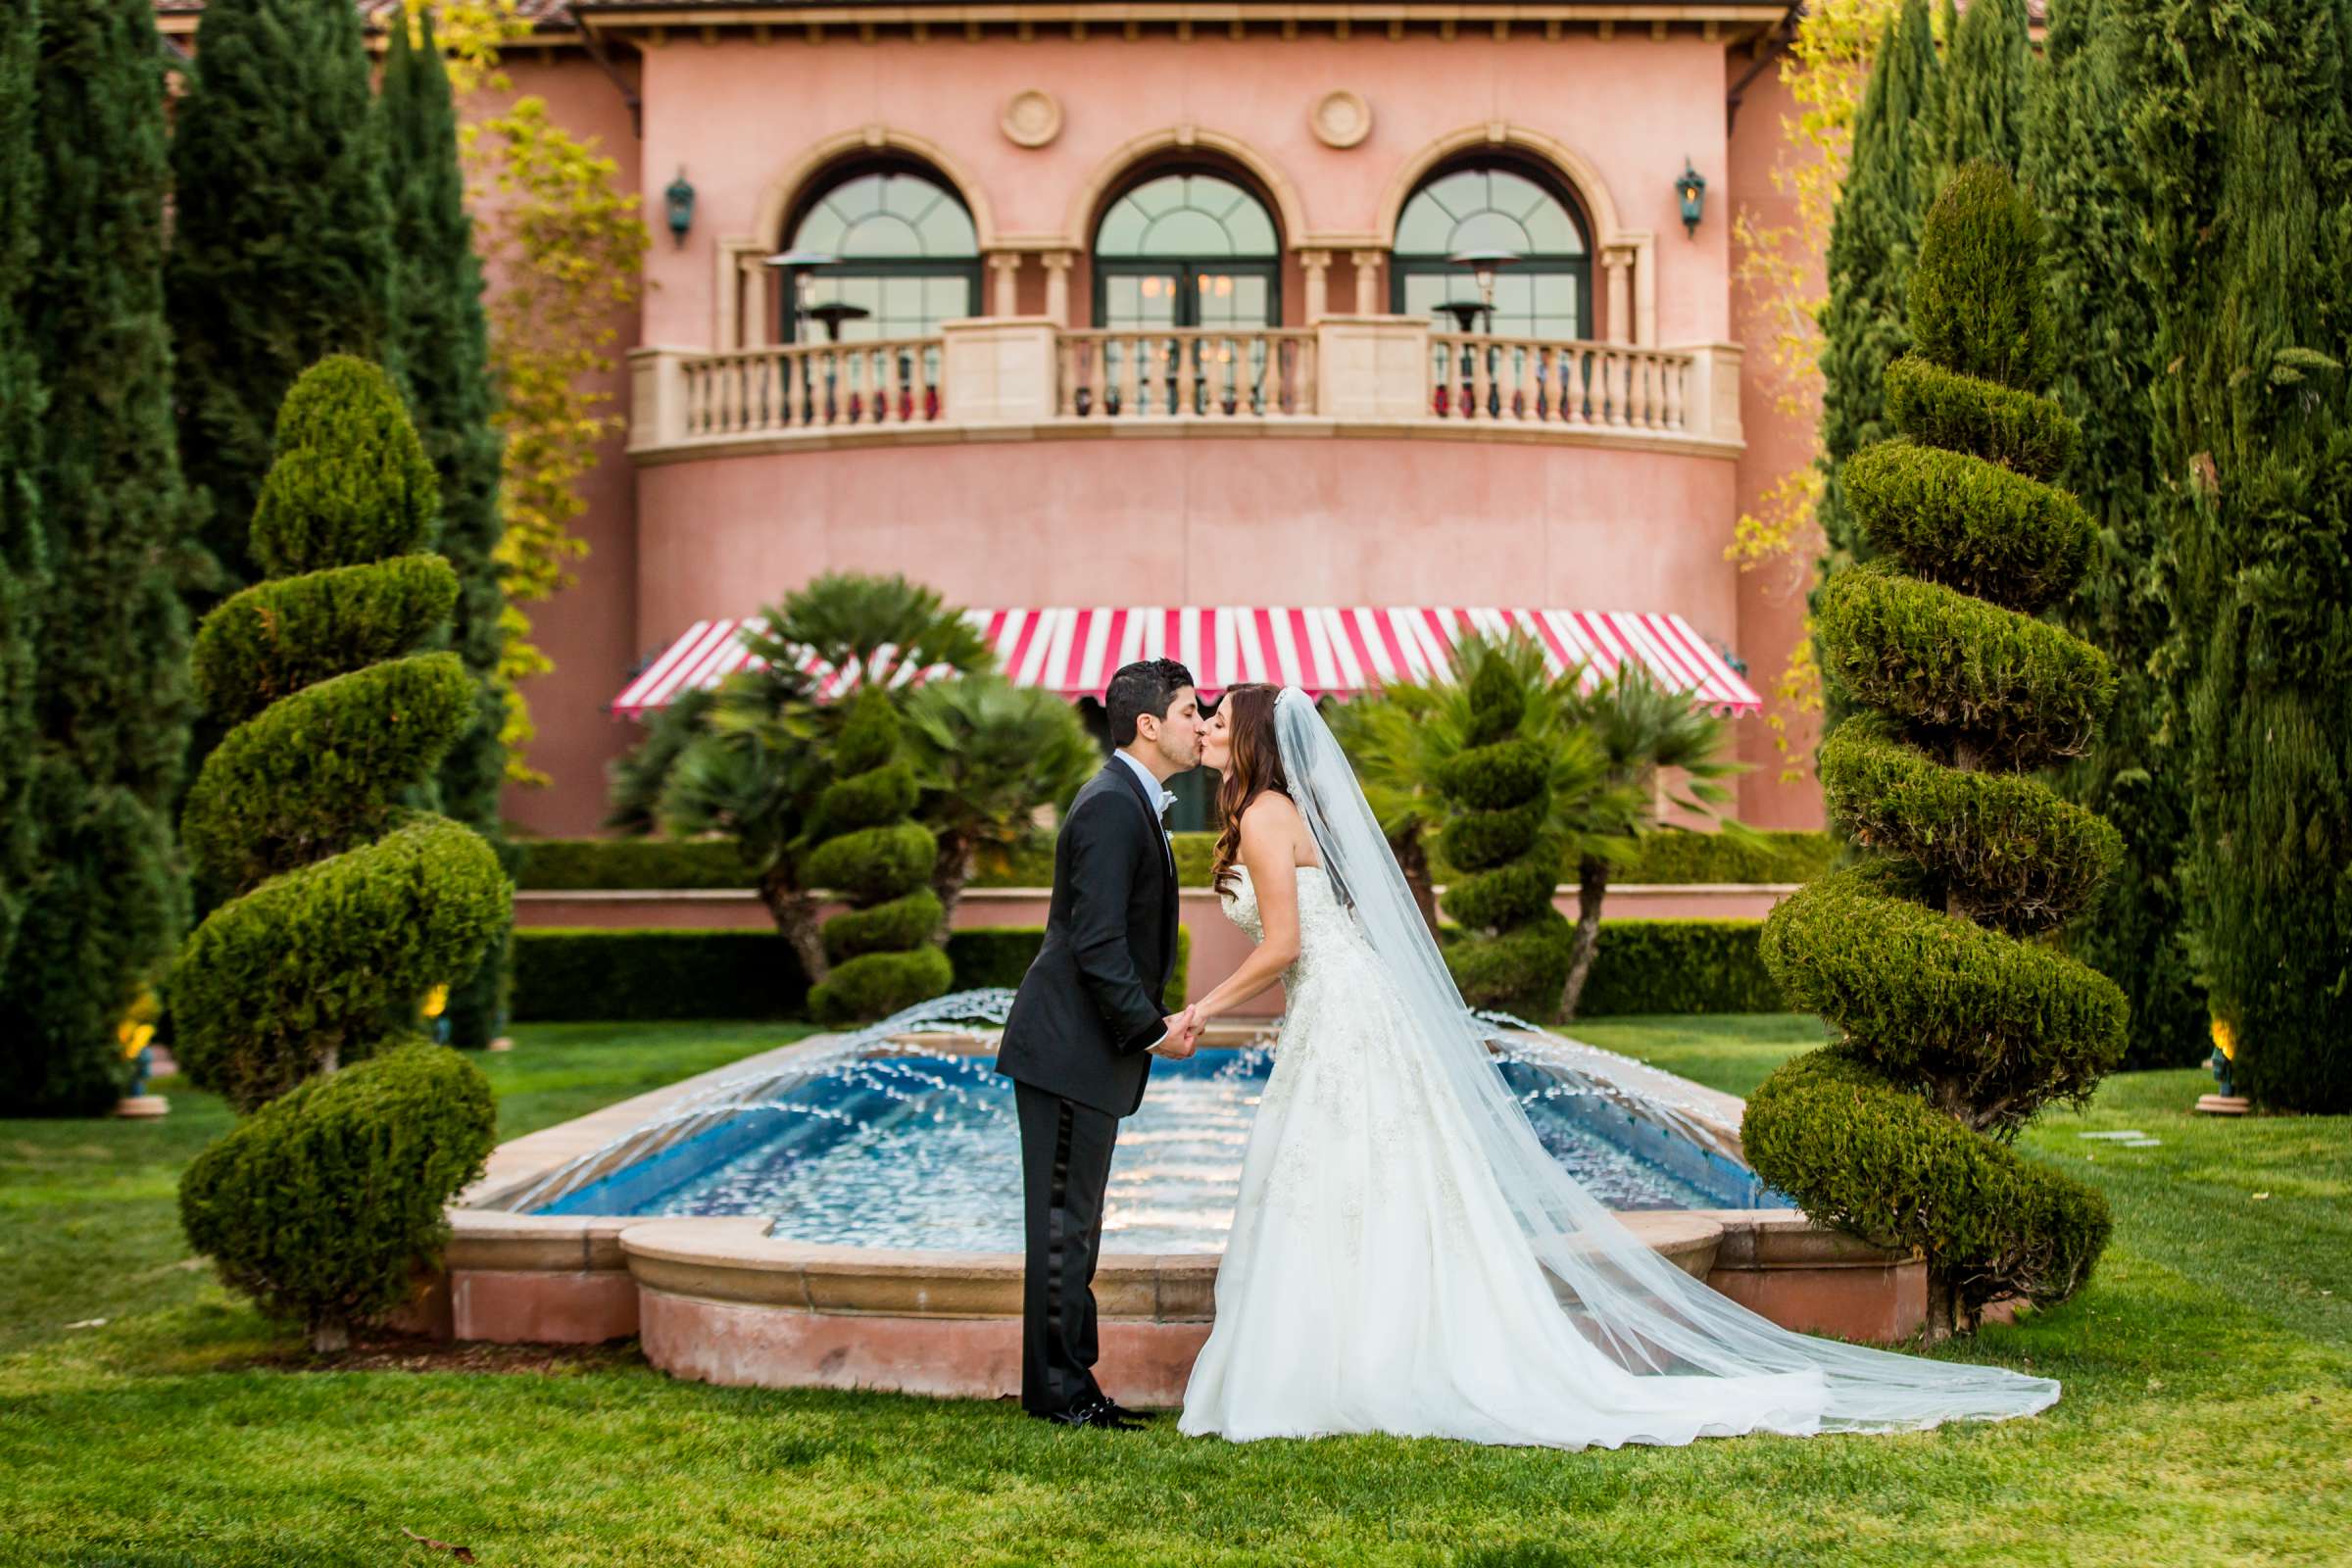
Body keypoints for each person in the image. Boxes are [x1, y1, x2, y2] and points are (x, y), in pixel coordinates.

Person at [1175, 683, 2061, 1448]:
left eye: (1218, 719)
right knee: (1371, 1179)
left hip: (1342, 1013)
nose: (1207, 726)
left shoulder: (1262, 813)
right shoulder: (1283, 813)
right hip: (1346, 1010)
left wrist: (1201, 1009)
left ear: (1251, 737)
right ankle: (1372, 1353)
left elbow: (1288, 941)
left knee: (1340, 1178)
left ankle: (1339, 1364)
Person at [997, 659, 1206, 1430]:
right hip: (1066, 1052)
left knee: (1072, 1227)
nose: (1202, 722)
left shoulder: (1130, 800)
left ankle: (1067, 1386)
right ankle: (1062, 1395)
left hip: (1081, 1052)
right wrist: (1152, 1030)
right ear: (1148, 725)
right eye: (1190, 710)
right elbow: (1097, 944)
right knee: (1061, 1229)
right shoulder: (1112, 805)